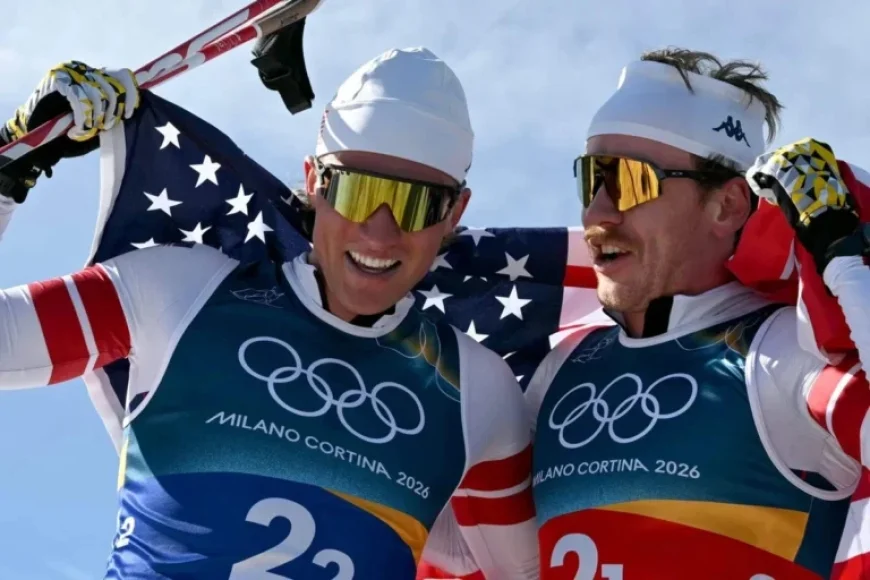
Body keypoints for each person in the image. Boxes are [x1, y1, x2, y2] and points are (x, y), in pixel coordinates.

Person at [0, 52, 539, 579]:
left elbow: (529, 569)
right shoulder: (181, 289)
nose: (380, 231)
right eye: (360, 192)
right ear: (316, 181)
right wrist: (9, 167)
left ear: (455, 215)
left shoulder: (476, 388)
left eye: (416, 204)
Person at [525, 48, 870, 579]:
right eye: (591, 177)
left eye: (631, 181)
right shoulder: (560, 369)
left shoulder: (782, 353)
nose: (597, 212)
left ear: (728, 206)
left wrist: (847, 270)